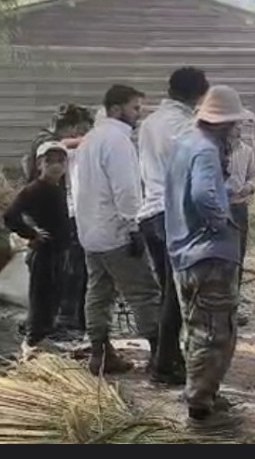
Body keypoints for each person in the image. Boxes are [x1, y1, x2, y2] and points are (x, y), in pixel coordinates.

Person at [165, 85, 249, 431]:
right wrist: (221, 221)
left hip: (184, 251)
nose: (236, 130)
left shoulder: (185, 143)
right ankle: (201, 411)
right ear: (223, 123)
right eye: (234, 124)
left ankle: (202, 393)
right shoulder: (206, 150)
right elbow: (201, 194)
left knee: (195, 327)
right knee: (214, 334)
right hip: (207, 254)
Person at [73, 84, 161, 375]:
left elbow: (76, 188)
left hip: (91, 233)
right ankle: (161, 354)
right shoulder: (117, 141)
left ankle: (100, 354)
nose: (138, 115)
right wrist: (134, 225)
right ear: (115, 109)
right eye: (135, 108)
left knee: (98, 293)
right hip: (116, 232)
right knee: (144, 292)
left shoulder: (89, 140)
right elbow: (126, 190)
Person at [138, 66, 210, 386]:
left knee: (165, 287)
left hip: (150, 211)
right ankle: (164, 364)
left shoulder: (149, 121)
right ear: (198, 94)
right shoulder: (186, 126)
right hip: (174, 213)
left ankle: (163, 357)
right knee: (177, 292)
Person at [25, 104, 94, 338]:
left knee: (56, 276)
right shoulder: (45, 143)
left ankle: (45, 324)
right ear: (73, 127)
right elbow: (58, 148)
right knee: (50, 278)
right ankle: (48, 326)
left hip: (50, 219)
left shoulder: (45, 141)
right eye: (80, 130)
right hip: (44, 221)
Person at [4, 141, 73, 351]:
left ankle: (43, 335)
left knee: (54, 296)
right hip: (43, 253)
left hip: (60, 252)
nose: (57, 166)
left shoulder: (60, 188)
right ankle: (33, 340)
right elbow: (10, 216)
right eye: (50, 161)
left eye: (61, 161)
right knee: (40, 297)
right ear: (40, 164)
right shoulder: (34, 190)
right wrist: (31, 233)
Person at [225, 110, 255, 327]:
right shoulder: (217, 151)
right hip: (220, 209)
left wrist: (248, 187)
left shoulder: (247, 151)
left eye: (241, 126)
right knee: (222, 258)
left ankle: (233, 307)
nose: (240, 129)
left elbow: (254, 176)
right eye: (236, 125)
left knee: (238, 257)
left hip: (239, 209)